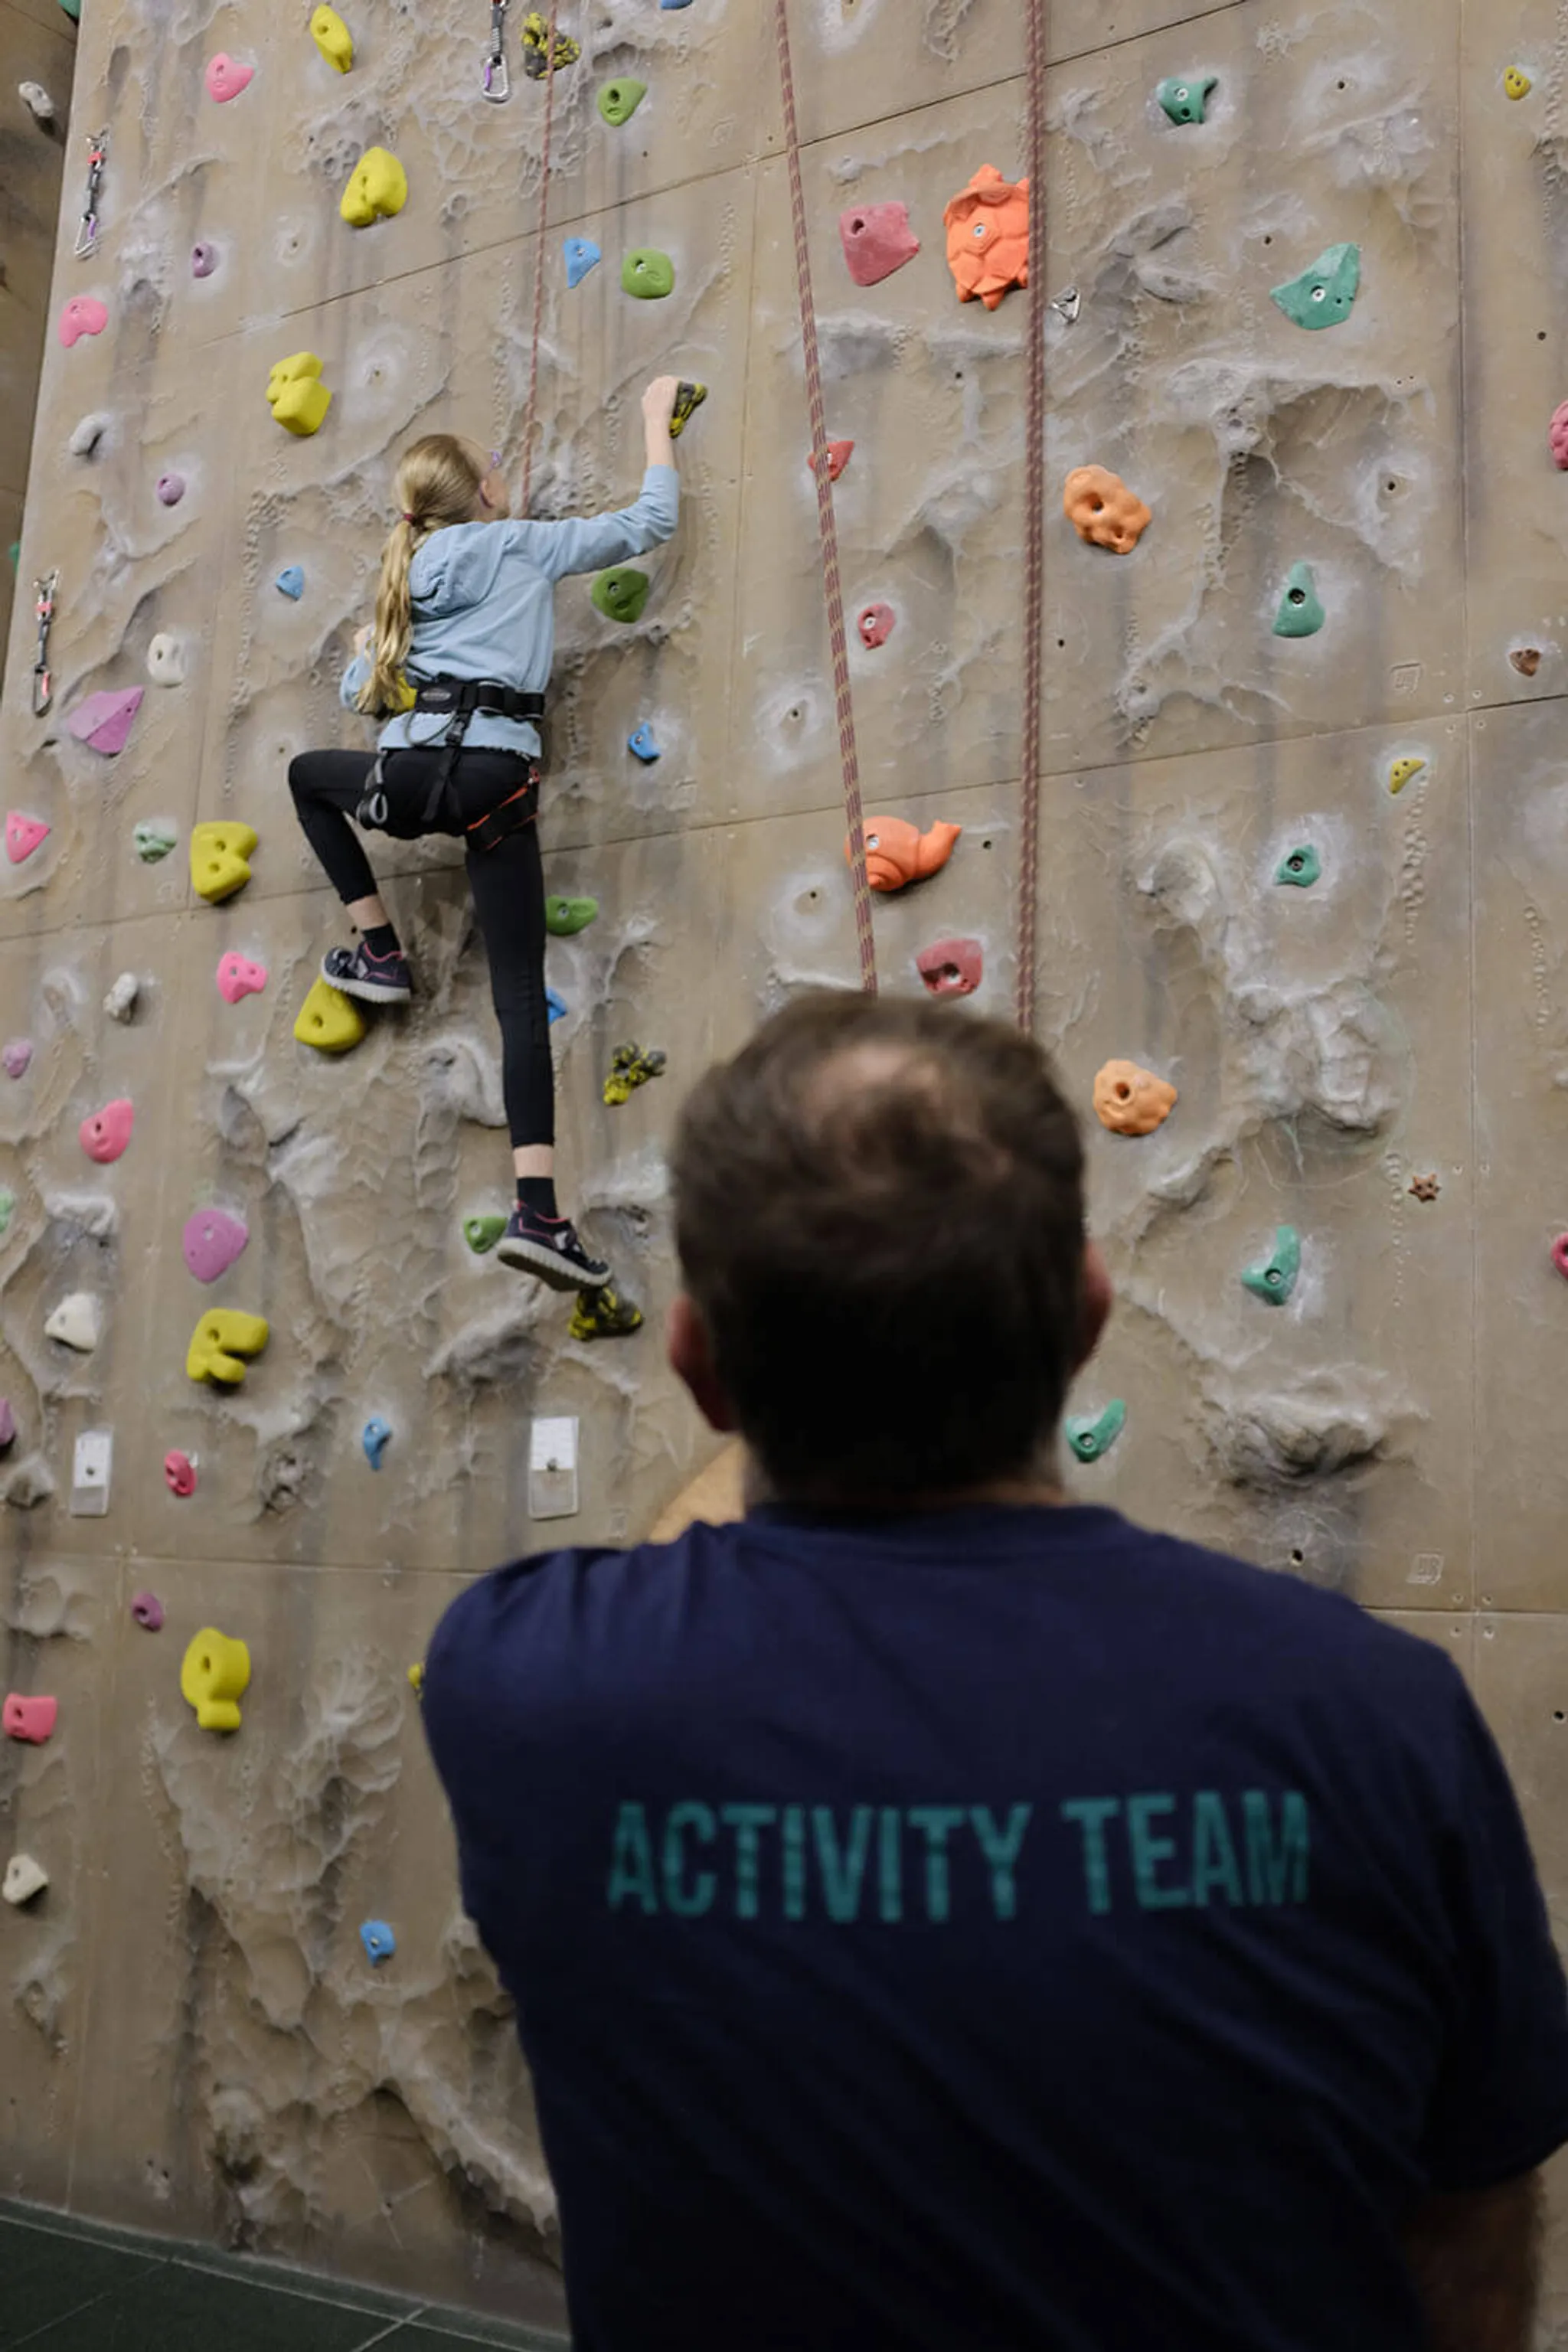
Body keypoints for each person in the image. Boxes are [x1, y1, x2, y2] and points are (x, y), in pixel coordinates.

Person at [423, 991, 1568, 2351]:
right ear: (1084, 1318)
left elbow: (693, 1562)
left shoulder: (528, 1685)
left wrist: (798, 1358)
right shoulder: (1379, 1714)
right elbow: (1475, 2224)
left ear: (697, 1367)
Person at [287, 377, 684, 1294]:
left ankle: (379, 948)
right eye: (495, 469)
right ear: (486, 494)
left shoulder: (401, 578)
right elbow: (645, 522)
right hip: (494, 785)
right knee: (516, 996)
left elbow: (363, 697)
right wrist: (654, 420)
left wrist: (360, 652)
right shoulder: (519, 545)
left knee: (307, 781)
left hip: (409, 781)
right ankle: (537, 1210)